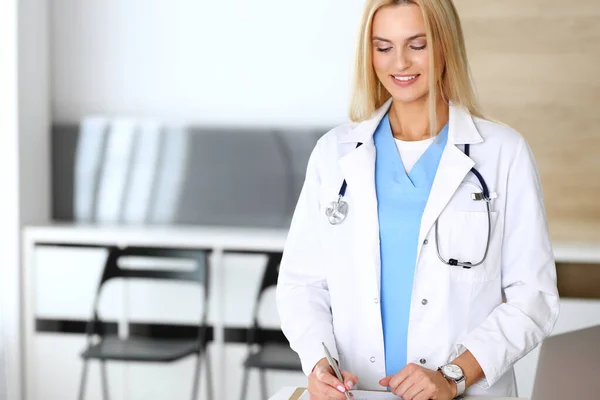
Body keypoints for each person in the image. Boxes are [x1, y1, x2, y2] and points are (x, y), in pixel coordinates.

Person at [276, 0, 559, 399]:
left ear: (445, 46)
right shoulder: (334, 153)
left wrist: (452, 376)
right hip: (357, 393)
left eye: (417, 44)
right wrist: (318, 363)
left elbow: (533, 297)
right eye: (384, 46)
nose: (400, 63)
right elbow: (302, 284)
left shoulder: (502, 153)